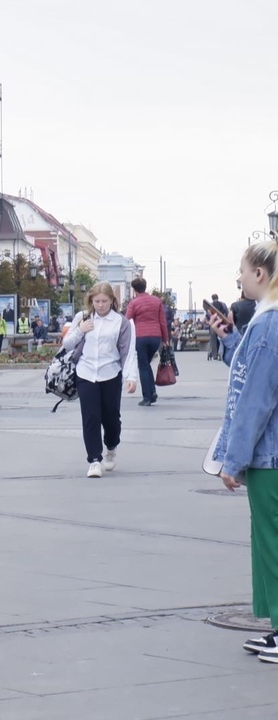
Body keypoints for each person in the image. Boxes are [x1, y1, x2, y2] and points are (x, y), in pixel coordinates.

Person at [207, 241, 278, 662]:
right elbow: (251, 370)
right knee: (267, 539)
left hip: (270, 456)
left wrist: (233, 461)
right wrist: (232, 339)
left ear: (262, 275)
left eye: (242, 270)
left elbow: (256, 396)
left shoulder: (269, 323)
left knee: (271, 540)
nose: (239, 278)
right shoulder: (264, 321)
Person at [62, 283, 136, 478]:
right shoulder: (82, 318)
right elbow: (67, 344)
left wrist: (131, 377)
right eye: (97, 301)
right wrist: (80, 330)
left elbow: (127, 351)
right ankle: (94, 460)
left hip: (110, 373)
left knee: (111, 418)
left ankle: (111, 446)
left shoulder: (121, 322)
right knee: (91, 417)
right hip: (85, 373)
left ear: (112, 301)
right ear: (91, 301)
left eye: (104, 301)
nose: (101, 305)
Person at [124, 277, 169, 406]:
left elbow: (127, 319)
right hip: (155, 337)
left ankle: (147, 397)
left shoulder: (134, 303)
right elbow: (162, 321)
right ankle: (152, 392)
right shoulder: (157, 301)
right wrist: (165, 339)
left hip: (141, 337)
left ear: (134, 290)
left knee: (143, 366)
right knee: (147, 364)